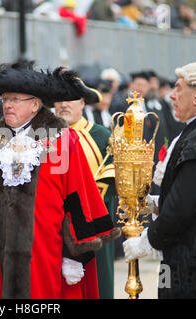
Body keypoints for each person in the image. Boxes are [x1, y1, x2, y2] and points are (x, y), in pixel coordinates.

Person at [0, 62, 121, 299]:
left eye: (15, 99)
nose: (7, 105)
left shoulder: (63, 139)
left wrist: (75, 256)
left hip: (46, 256)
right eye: (5, 99)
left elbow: (79, 199)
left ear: (35, 104)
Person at [123, 61, 196, 299]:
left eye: (178, 88)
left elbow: (183, 207)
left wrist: (147, 240)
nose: (172, 96)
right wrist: (154, 202)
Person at [54, 82, 119, 299]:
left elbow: (113, 176)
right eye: (59, 100)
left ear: (82, 102)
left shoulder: (101, 135)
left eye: (70, 99)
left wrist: (84, 208)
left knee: (97, 282)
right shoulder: (46, 137)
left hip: (93, 223)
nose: (63, 105)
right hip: (55, 224)